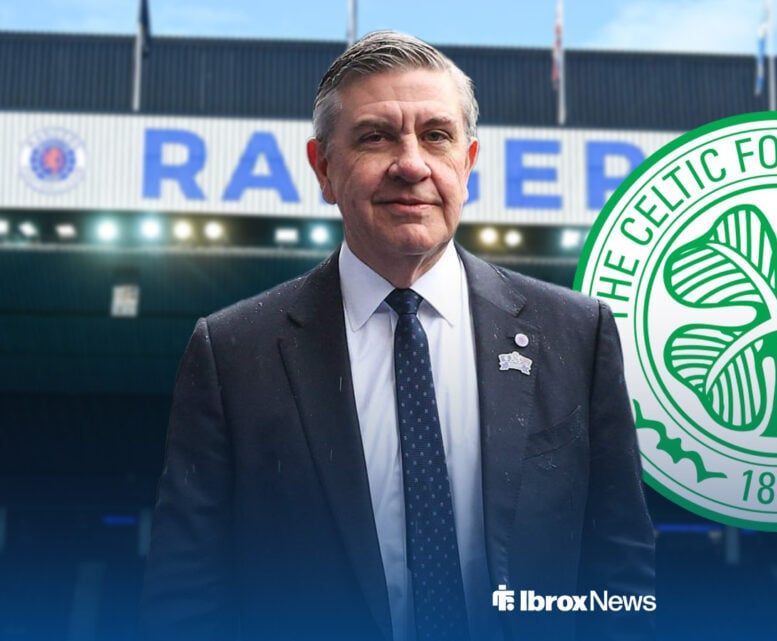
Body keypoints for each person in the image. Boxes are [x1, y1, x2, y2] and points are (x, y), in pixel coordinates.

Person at [140, 30, 655, 641]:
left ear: (467, 163)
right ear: (323, 168)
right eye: (374, 136)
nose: (410, 164)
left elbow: (621, 572)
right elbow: (187, 594)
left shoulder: (577, 334)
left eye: (436, 136)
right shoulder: (231, 353)